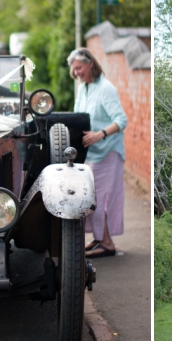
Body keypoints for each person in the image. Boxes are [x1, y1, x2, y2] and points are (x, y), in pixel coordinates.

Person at [67, 47, 128, 258]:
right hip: (90, 153)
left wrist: (99, 134)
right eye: (73, 69)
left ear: (89, 64)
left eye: (79, 68)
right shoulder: (83, 87)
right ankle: (99, 239)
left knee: (100, 197)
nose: (76, 73)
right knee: (91, 195)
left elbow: (121, 120)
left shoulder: (106, 89)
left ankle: (107, 244)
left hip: (107, 151)